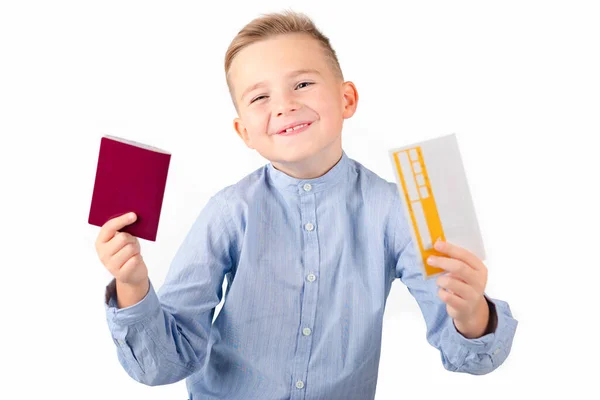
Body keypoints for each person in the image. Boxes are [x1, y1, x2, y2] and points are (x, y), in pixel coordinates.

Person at [95, 10, 518, 400]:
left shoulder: (396, 210)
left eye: (302, 83)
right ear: (245, 132)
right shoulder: (228, 212)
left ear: (347, 99)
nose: (284, 105)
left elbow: (468, 352)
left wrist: (471, 313)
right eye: (259, 98)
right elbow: (166, 363)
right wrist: (132, 287)